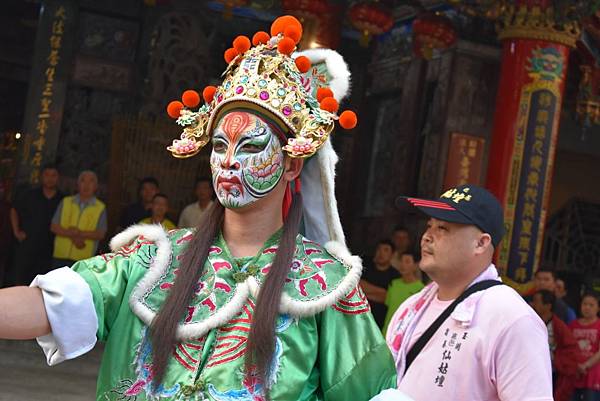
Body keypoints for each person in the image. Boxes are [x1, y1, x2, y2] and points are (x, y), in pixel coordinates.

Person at [0, 16, 396, 401]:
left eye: (252, 147)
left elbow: (373, 391)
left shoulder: (327, 285)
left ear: (292, 164)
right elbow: (52, 303)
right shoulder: (154, 259)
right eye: (220, 146)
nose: (228, 163)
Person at [373, 185, 553, 401]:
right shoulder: (410, 308)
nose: (426, 237)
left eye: (443, 228)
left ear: (481, 243)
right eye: (429, 226)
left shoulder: (512, 319)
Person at [10, 164, 63, 285]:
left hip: (50, 248)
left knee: (42, 282)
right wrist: (16, 231)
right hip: (27, 243)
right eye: (47, 175)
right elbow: (14, 210)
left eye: (53, 175)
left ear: (58, 178)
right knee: (20, 279)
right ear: (41, 177)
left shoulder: (63, 199)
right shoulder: (30, 194)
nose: (50, 178)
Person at [50, 170, 107, 269]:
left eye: (91, 181)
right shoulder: (66, 201)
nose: (86, 185)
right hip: (60, 255)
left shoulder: (100, 207)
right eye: (83, 181)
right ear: (77, 184)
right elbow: (54, 227)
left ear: (96, 186)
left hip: (83, 260)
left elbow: (100, 234)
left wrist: (78, 233)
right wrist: (74, 236)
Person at [531, 290, 581, 401]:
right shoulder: (530, 321)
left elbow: (570, 349)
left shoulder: (559, 326)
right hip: (534, 369)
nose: (532, 304)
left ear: (548, 306)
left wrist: (559, 362)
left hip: (553, 372)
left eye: (536, 301)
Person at [382, 251, 424, 334]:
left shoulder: (421, 290)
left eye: (407, 262)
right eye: (401, 261)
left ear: (416, 265)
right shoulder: (394, 283)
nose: (403, 265)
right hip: (386, 332)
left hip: (402, 336)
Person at [361, 240, 399, 328]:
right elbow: (356, 286)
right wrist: (380, 292)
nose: (381, 253)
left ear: (392, 255)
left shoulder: (395, 276)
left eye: (385, 250)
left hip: (379, 322)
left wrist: (364, 291)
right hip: (359, 316)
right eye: (379, 249)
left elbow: (387, 297)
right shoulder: (365, 266)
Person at [569, 293, 600, 401]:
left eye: (591, 305)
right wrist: (575, 365)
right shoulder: (572, 325)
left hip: (593, 376)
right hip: (574, 373)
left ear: (598, 308)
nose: (587, 307)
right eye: (584, 304)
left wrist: (586, 365)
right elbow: (568, 348)